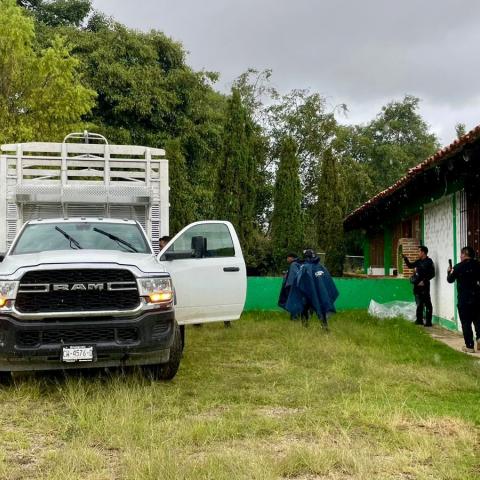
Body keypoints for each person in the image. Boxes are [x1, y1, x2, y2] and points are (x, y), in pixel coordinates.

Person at [447, 246, 480, 353]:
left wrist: (449, 272)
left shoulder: (458, 267)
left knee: (466, 323)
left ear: (465, 254)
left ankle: (469, 346)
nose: (460, 256)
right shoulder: (478, 265)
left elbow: (450, 280)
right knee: (478, 321)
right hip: (477, 298)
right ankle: (479, 339)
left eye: (461, 254)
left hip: (464, 300)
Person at [403, 245, 435, 327]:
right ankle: (419, 320)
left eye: (419, 251)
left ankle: (428, 322)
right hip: (417, 286)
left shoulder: (429, 261)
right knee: (419, 303)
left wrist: (424, 281)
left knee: (427, 303)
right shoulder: (418, 261)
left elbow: (432, 274)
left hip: (425, 286)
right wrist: (405, 259)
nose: (418, 253)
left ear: (423, 252)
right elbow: (410, 266)